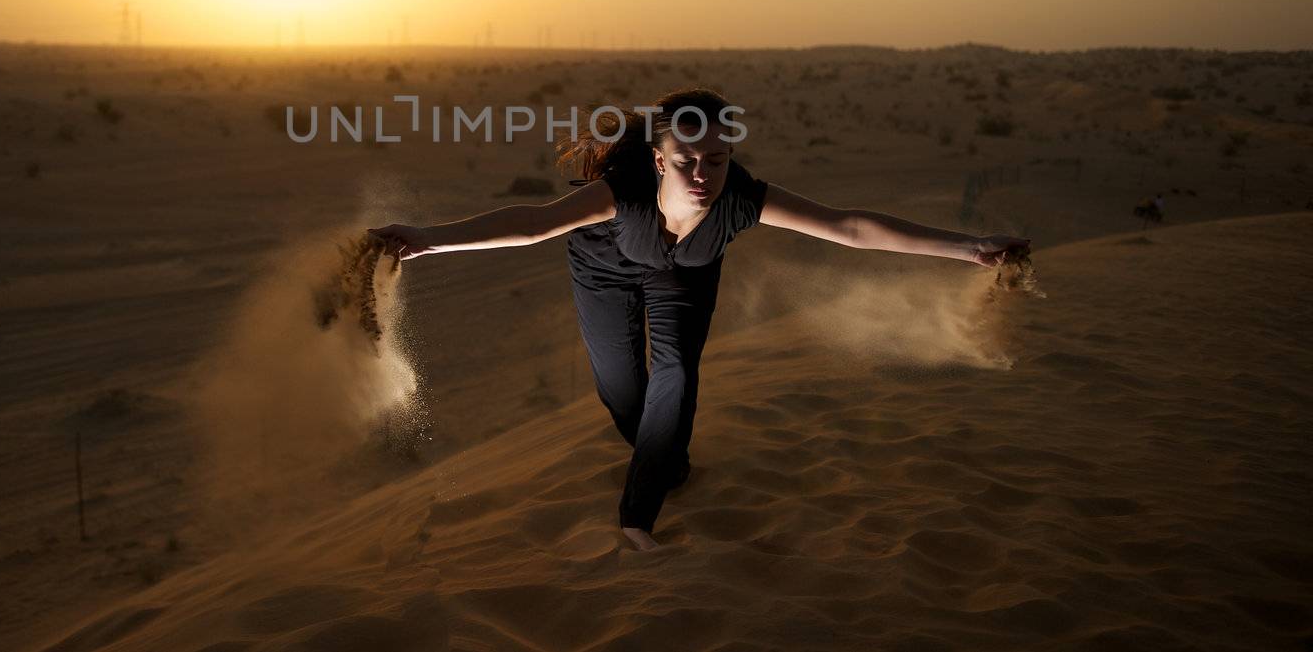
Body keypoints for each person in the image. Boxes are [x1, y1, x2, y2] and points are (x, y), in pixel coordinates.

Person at [368, 86, 1030, 551]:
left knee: (677, 375)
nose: (701, 173)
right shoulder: (623, 192)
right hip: (606, 264)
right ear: (660, 159)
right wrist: (431, 237)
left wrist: (967, 247)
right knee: (622, 392)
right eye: (686, 160)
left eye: (715, 159)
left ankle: (637, 517)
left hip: (687, 270)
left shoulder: (737, 198)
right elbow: (533, 224)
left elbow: (849, 226)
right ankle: (664, 461)